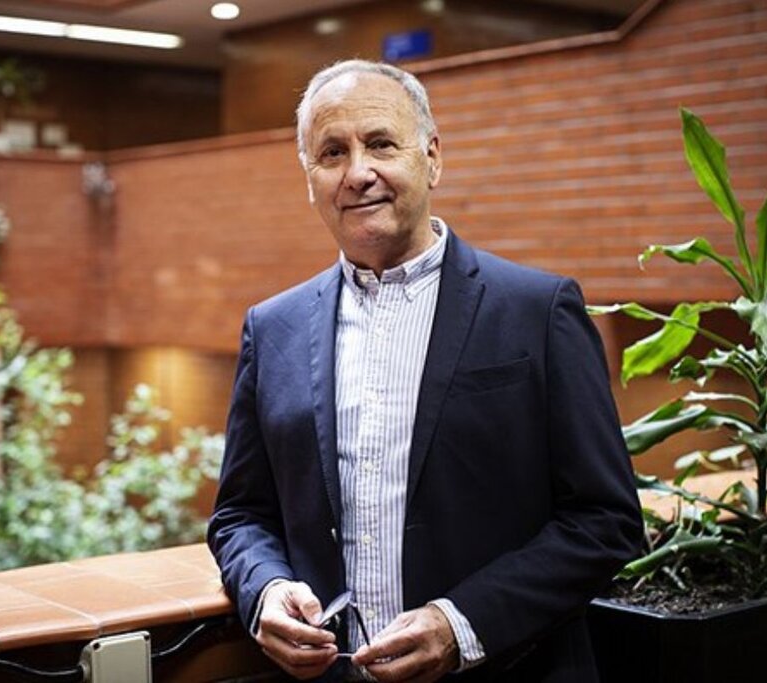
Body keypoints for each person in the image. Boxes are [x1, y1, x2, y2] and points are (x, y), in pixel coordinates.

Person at [207, 59, 642, 683]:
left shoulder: (538, 311)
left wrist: (461, 624)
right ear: (310, 178)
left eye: (381, 143)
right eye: (332, 153)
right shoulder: (272, 327)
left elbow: (606, 521)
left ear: (432, 157)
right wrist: (266, 591)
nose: (359, 173)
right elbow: (240, 515)